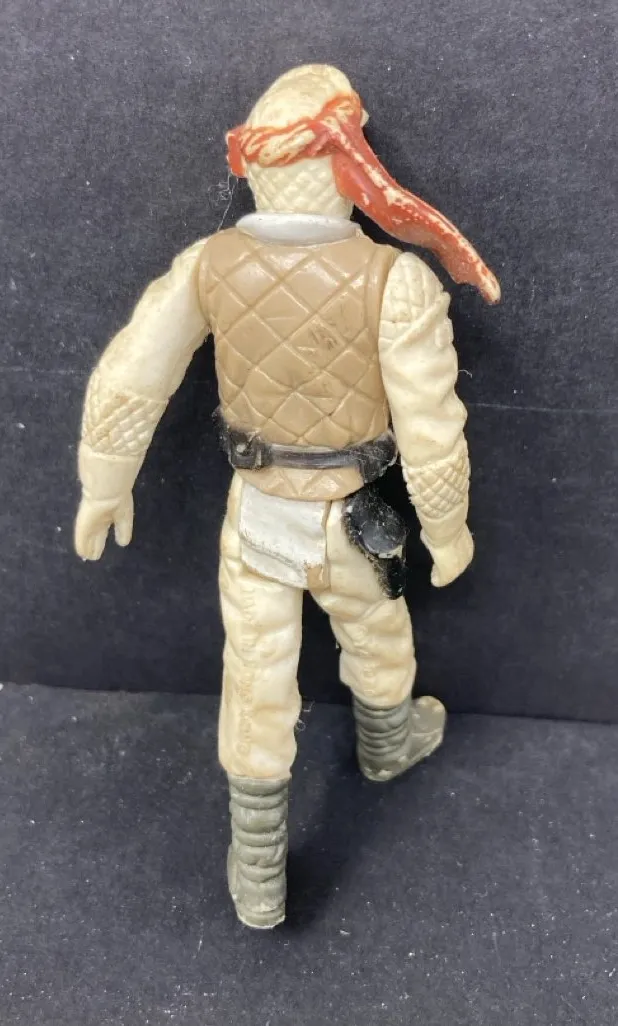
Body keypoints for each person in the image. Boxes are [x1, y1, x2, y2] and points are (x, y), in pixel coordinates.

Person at [74, 64, 500, 929]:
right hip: (354, 513)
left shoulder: (209, 266)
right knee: (377, 630)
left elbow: (133, 373)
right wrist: (448, 528)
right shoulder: (396, 281)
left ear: (259, 170)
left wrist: (104, 479)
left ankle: (257, 867)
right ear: (348, 170)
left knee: (256, 674)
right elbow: (431, 425)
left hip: (257, 512)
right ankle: (387, 745)